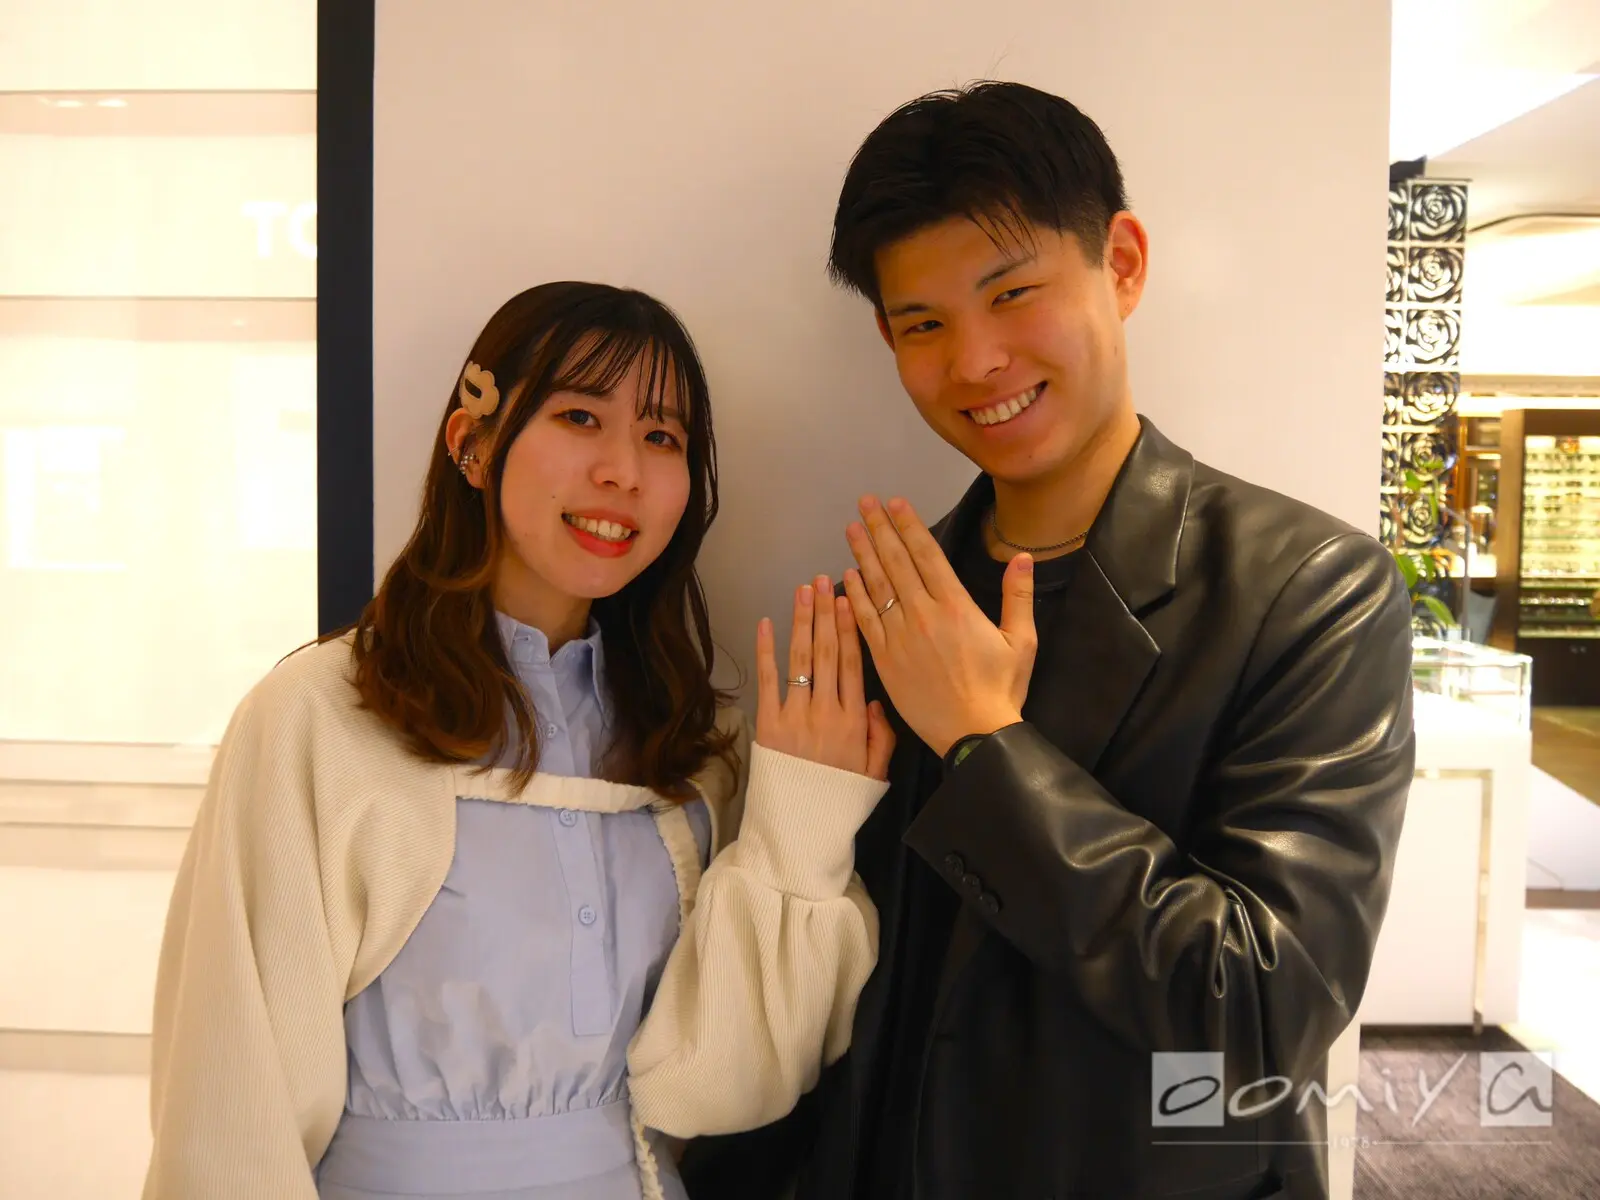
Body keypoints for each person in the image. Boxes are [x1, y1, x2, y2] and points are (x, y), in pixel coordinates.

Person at [680, 82, 1416, 1200]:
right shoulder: (888, 604)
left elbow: (1263, 1013)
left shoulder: (1308, 591)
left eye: (1012, 293)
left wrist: (985, 744)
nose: (975, 361)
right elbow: (836, 981)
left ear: (1120, 265)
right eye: (923, 324)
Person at [141, 281, 898, 1200]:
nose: (623, 470)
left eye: (662, 437)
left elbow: (730, 1087)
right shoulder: (319, 718)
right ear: (473, 442)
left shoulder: (695, 746)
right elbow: (230, 1109)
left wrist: (803, 825)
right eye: (580, 417)